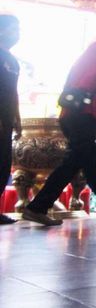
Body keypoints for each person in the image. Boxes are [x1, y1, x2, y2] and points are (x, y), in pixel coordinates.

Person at [22, 29, 96, 226]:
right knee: (73, 161)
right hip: (80, 116)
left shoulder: (91, 62)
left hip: (76, 116)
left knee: (89, 162)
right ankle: (37, 207)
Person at [0, 15, 21, 225]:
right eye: (13, 29)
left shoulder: (13, 61)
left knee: (4, 165)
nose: (18, 34)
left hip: (6, 121)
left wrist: (17, 116)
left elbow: (13, 92)